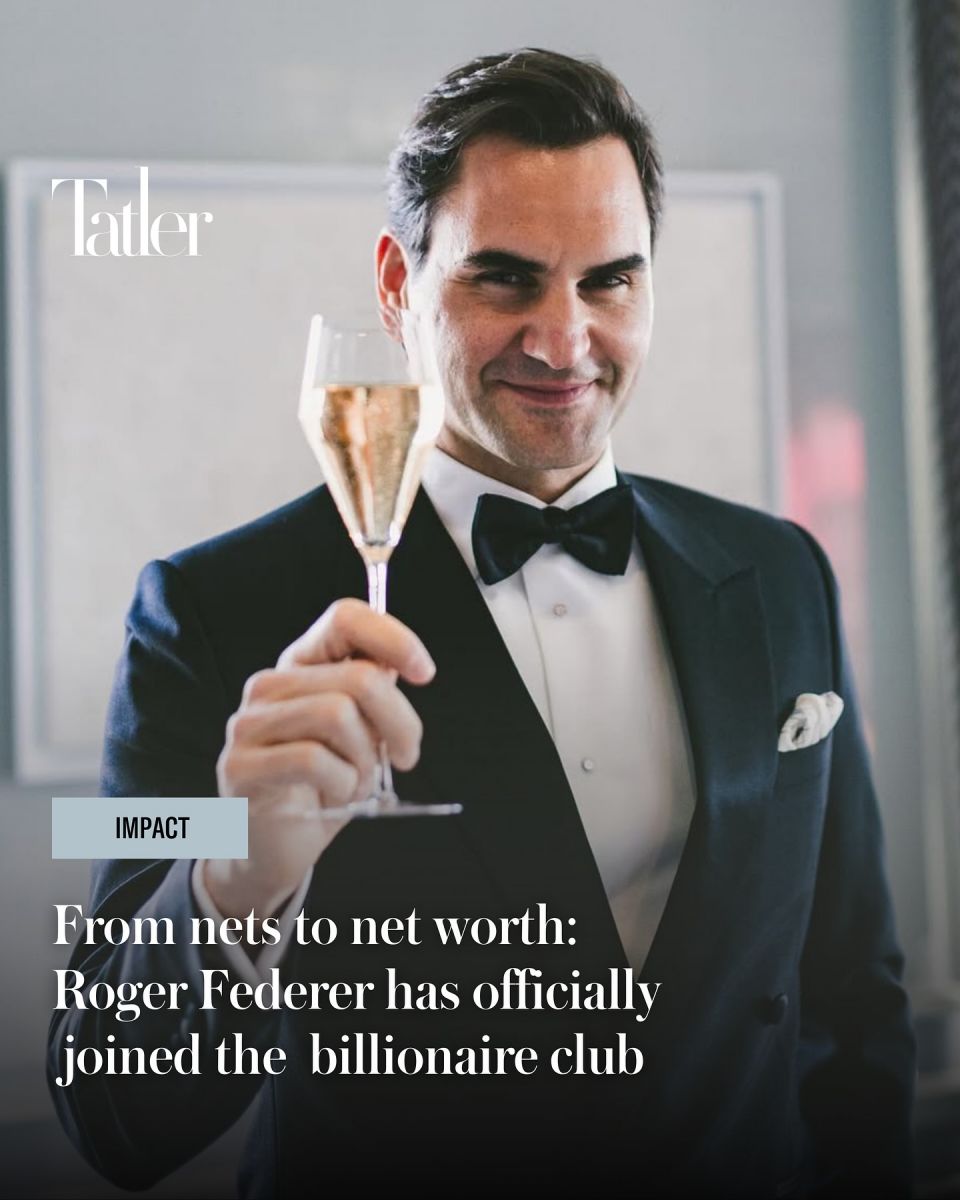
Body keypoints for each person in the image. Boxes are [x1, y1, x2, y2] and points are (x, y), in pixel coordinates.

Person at [49, 48, 915, 1197]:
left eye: (609, 280)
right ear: (396, 284)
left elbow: (854, 995)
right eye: (505, 280)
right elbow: (108, 1112)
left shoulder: (779, 570)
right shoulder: (207, 612)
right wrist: (229, 882)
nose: (564, 340)